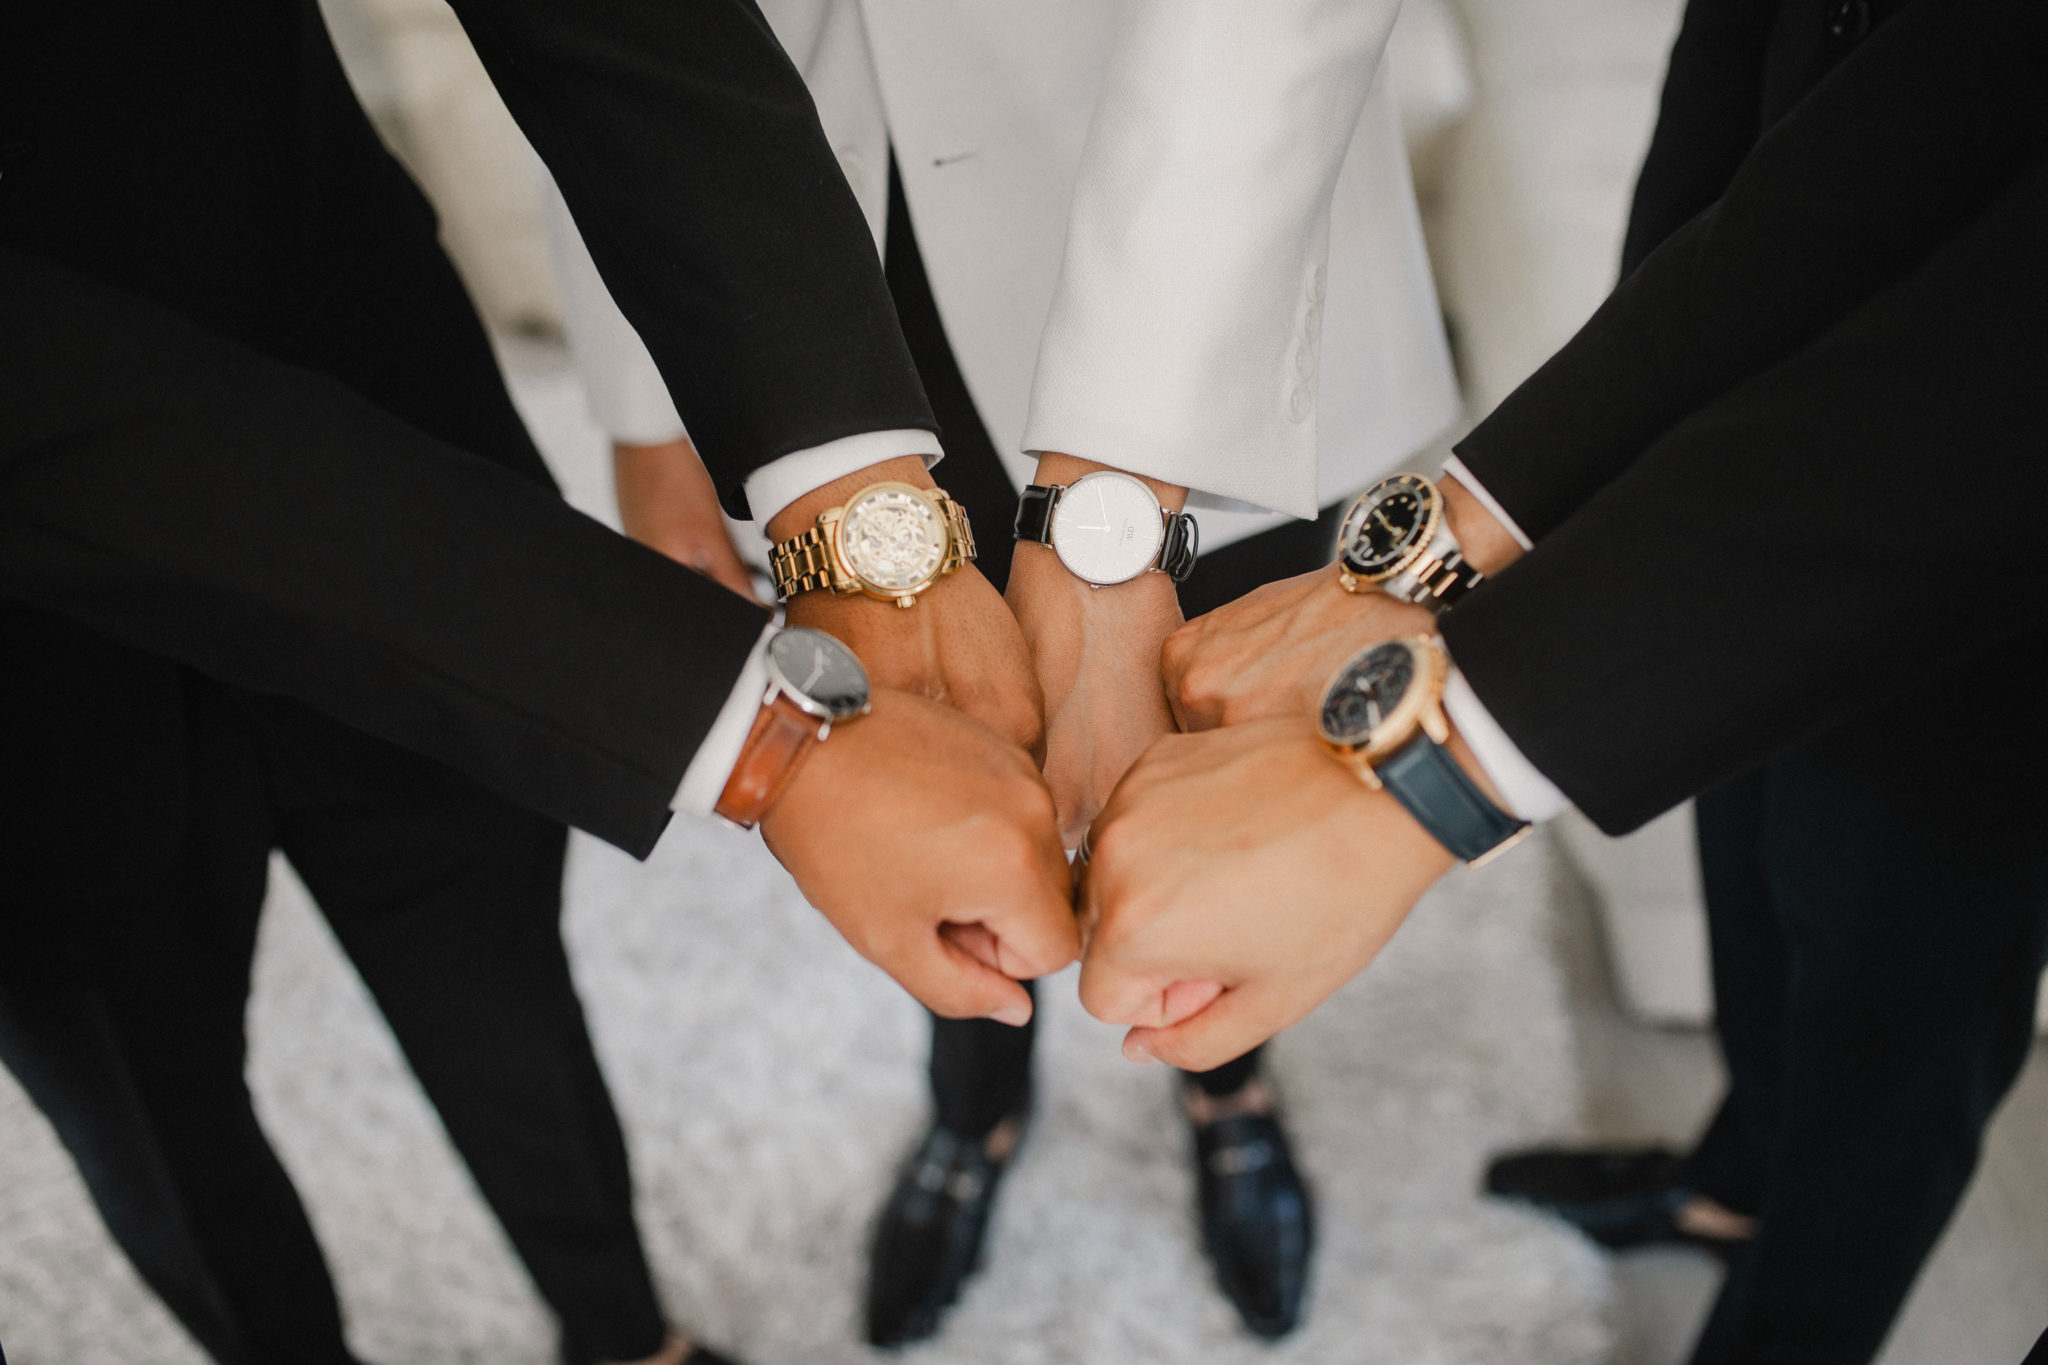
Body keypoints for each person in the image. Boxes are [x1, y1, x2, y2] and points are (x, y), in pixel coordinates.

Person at [1, 0, 1082, 1360]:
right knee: (148, 1115)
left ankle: (628, 1335)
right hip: (30, 679)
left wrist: (857, 510)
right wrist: (760, 734)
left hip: (360, 359)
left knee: (499, 985)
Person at [1072, 1, 2048, 1362]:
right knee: (1751, 853)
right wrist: (1436, 548)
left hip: (1990, 592)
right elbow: (1864, 146)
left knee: (1895, 990)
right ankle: (1732, 1179)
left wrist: (1418, 778)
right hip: (1753, 373)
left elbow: (2001, 364)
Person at [535, 0, 1457, 1340]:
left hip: (1205, 206)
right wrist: (646, 401)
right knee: (922, 773)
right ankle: (976, 1094)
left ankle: (1227, 1082)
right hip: (818, 241)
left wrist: (1106, 536)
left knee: (1229, 750)